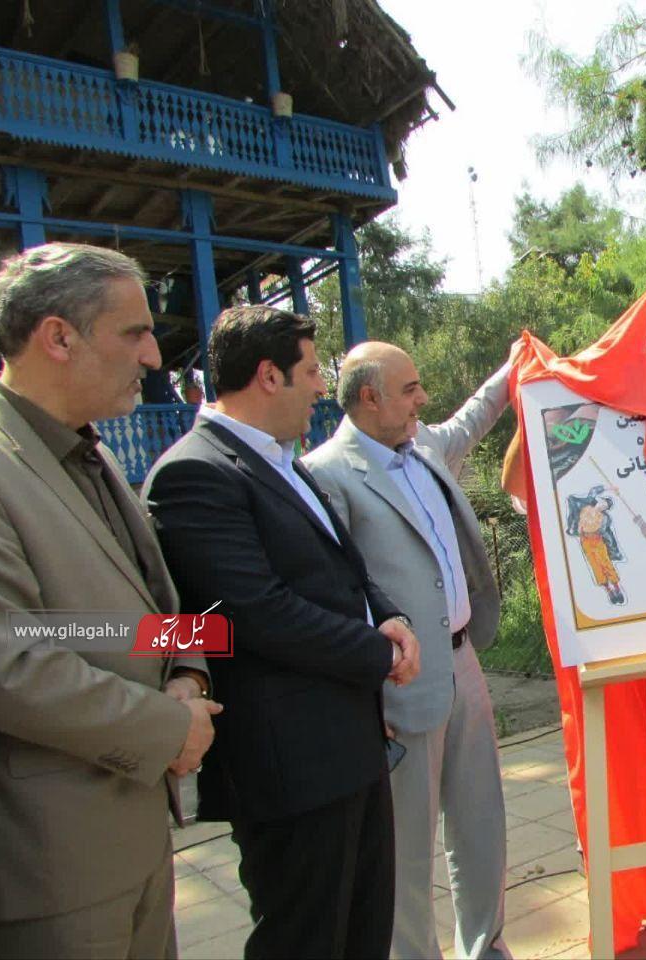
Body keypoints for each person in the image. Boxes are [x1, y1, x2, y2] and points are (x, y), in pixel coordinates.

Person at [144, 306, 420, 959]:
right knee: (306, 940)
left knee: (363, 933)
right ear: (268, 376)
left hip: (348, 746)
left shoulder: (278, 460)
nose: (323, 388)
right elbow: (253, 612)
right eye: (311, 372)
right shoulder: (195, 473)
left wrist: (386, 613)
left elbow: (339, 566)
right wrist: (375, 653)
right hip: (291, 767)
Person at [0, 243, 217, 958]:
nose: (154, 357)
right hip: (52, 872)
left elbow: (142, 612)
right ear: (58, 337)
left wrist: (191, 672)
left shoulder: (94, 455)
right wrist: (168, 727)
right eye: (135, 333)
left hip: (139, 846)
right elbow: (11, 663)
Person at [304, 341, 515, 960]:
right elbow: (332, 590)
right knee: (406, 847)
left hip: (464, 662)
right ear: (370, 398)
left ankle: (487, 948)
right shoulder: (326, 474)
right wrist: (366, 682)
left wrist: (514, 367)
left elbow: (473, 418)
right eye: (410, 389)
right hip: (399, 680)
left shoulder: (424, 445)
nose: (423, 398)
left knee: (481, 821)